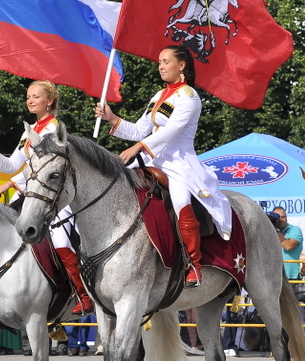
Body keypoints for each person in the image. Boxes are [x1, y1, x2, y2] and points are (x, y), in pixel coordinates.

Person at [96, 45, 232, 287]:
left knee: (181, 203)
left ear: (181, 66)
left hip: (178, 162)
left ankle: (194, 265)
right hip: (152, 158)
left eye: (166, 61)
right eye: (159, 61)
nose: (160, 65)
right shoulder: (159, 96)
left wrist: (137, 148)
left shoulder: (189, 97)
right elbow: (140, 129)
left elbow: (170, 132)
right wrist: (113, 118)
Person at [0, 79, 93, 313]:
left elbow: (44, 169)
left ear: (49, 101)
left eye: (36, 96)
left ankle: (83, 296)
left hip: (54, 194)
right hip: (33, 194)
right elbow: (13, 164)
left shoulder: (53, 129)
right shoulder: (29, 131)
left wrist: (7, 185)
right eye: (28, 96)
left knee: (60, 240)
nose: (30, 100)